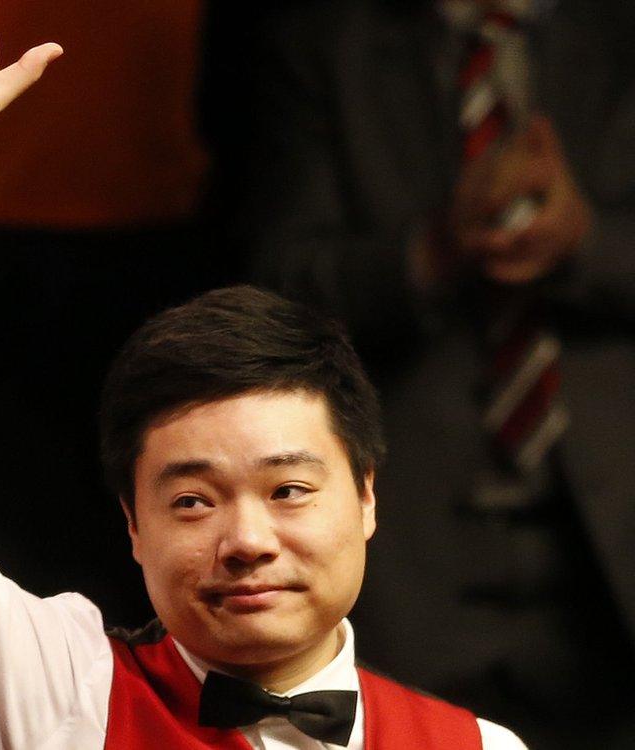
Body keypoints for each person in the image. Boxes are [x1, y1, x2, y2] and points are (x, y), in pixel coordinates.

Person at [0, 19, 526, 748]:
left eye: (288, 490)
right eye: (192, 501)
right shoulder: (58, 692)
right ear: (132, 524)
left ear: (365, 498)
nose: (247, 542)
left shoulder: (482, 748)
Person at [201, 0, 635, 745]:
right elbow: (275, 286)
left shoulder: (618, 34)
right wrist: (433, 250)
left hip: (605, 534)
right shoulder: (325, 39)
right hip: (407, 532)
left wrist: (584, 241)